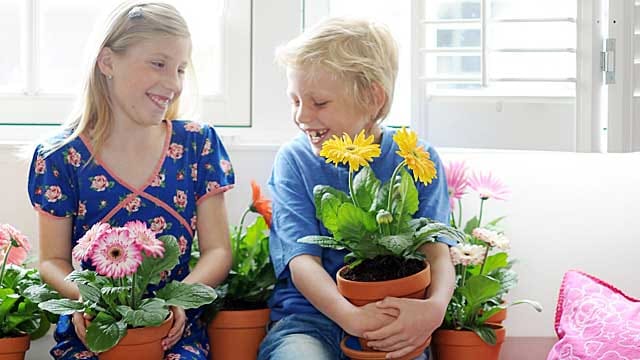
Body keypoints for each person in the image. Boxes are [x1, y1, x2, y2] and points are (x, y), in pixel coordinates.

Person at [27, 2, 234, 359]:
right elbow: (52, 260)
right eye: (158, 64)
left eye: (181, 69)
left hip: (173, 334)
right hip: (93, 332)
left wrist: (176, 301)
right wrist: (85, 302)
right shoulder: (60, 157)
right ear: (107, 62)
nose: (173, 83)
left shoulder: (197, 145)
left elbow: (218, 251)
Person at [258, 17, 457, 360]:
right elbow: (302, 261)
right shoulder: (294, 160)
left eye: (319, 103)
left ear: (372, 99)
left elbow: (435, 250)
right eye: (295, 101)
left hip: (394, 321)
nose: (302, 117)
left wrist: (434, 308)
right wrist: (352, 317)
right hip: (308, 320)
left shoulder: (416, 157)